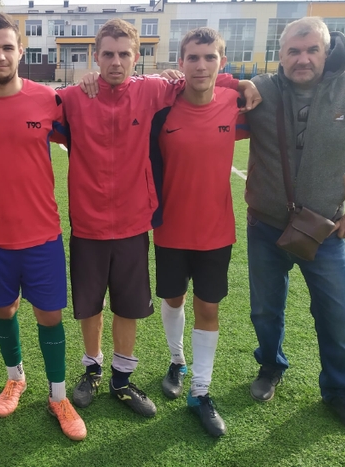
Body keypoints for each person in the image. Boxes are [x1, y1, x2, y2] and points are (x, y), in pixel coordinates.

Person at [63, 19, 258, 418]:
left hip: (135, 223)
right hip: (87, 223)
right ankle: (92, 369)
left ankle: (121, 379)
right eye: (107, 54)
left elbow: (201, 79)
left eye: (124, 54)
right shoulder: (72, 97)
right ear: (95, 57)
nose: (116, 62)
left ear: (137, 57)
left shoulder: (152, 90)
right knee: (90, 306)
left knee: (128, 306)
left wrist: (242, 83)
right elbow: (27, 103)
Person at [244, 17, 345, 439]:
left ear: (327, 51)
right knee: (264, 309)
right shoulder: (262, 89)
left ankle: (339, 392)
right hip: (265, 226)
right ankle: (270, 366)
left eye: (312, 49)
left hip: (325, 230)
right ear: (281, 55)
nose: (303, 59)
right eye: (294, 51)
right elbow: (205, 86)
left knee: (337, 317)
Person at [0, 12, 87, 441]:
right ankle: (15, 378)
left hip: (42, 233)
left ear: (20, 51)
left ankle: (58, 396)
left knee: (49, 314)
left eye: (7, 47)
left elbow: (88, 130)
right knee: (4, 308)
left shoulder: (47, 99)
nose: (0, 55)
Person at [153, 28, 249, 437]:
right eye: (193, 57)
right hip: (170, 229)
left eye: (210, 57)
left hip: (216, 232)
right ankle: (177, 361)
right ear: (181, 63)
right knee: (173, 299)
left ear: (221, 62)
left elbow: (260, 93)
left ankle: (201, 391)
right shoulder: (163, 106)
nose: (201, 65)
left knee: (208, 309)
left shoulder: (232, 101)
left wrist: (241, 84)